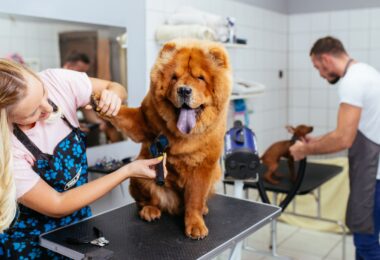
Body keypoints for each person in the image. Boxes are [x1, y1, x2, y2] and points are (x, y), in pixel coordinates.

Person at [0, 59, 166, 258]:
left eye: (44, 93)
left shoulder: (56, 80)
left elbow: (115, 87)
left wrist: (112, 95)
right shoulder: (6, 148)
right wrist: (127, 171)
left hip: (80, 226)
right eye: (33, 112)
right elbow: (57, 205)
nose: (49, 108)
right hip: (28, 243)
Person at [290, 36, 380, 259]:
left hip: (373, 177)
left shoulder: (352, 81)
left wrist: (304, 150)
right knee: (370, 240)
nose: (320, 73)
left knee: (366, 243)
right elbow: (360, 128)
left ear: (326, 59)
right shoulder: (367, 72)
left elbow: (343, 139)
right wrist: (317, 141)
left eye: (317, 67)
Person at [63, 52, 124, 144]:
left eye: (84, 72)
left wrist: (99, 122)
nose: (83, 75)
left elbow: (86, 109)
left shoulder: (78, 85)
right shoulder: (55, 83)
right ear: (68, 66)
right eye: (80, 71)